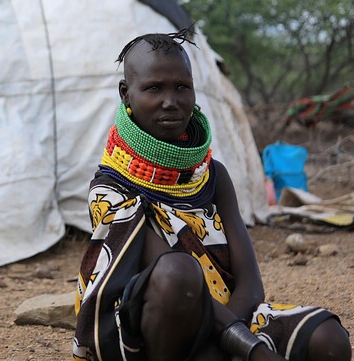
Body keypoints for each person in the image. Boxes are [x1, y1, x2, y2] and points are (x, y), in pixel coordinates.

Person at [73, 29, 350, 361]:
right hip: (151, 335)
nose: (170, 101)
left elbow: (249, 282)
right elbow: (174, 282)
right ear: (126, 95)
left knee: (329, 339)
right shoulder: (110, 189)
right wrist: (252, 350)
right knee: (178, 273)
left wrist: (235, 340)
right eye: (154, 88)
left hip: (227, 318)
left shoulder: (212, 176)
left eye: (182, 87)